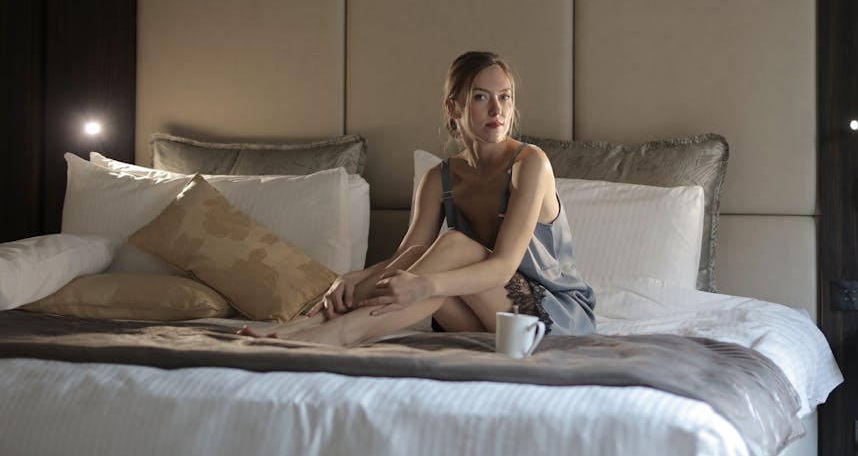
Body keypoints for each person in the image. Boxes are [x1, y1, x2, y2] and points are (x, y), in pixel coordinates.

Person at [240, 51, 595, 345]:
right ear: (454, 108)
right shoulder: (438, 178)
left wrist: (425, 284)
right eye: (481, 97)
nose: (497, 110)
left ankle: (332, 333)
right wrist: (354, 278)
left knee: (453, 247)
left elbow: (502, 267)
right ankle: (313, 324)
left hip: (550, 317)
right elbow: (408, 257)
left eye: (505, 97)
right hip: (484, 315)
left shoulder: (531, 164)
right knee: (421, 260)